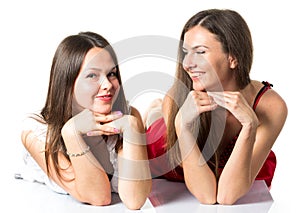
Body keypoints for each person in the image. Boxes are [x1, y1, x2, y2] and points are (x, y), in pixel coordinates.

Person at [145, 9, 287, 205]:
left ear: (233, 58)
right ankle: (154, 113)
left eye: (200, 52)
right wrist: (182, 126)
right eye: (186, 53)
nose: (187, 63)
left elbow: (226, 197)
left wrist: (249, 125)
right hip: (169, 159)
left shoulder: (271, 106)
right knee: (155, 125)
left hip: (232, 168)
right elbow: (207, 197)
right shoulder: (177, 97)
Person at [19, 32, 151, 209]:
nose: (108, 85)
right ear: (68, 82)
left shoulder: (127, 117)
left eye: (112, 73)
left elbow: (135, 200)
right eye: (92, 75)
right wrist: (71, 133)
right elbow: (99, 197)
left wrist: (133, 128)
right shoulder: (35, 130)